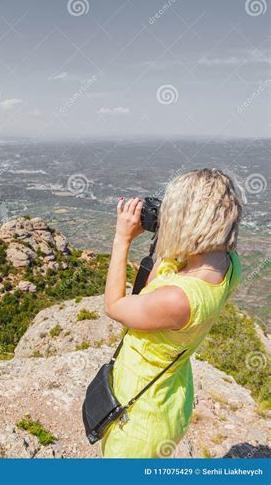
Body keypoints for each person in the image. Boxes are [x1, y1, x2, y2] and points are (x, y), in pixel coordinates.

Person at [102, 168, 242, 458]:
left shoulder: (177, 299)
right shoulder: (229, 264)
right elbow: (163, 280)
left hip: (140, 420)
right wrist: (174, 242)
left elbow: (114, 306)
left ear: (189, 220)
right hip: (171, 397)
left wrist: (122, 239)